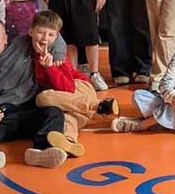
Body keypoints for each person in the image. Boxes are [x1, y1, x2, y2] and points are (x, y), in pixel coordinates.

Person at [0, 18, 67, 175]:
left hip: (29, 110)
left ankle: (43, 151)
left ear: (5, 39)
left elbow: (54, 33)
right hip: (3, 117)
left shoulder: (21, 44)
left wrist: (58, 55)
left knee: (54, 113)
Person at [31, 11, 118, 158]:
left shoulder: (58, 56)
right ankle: (69, 141)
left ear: (56, 37)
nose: (45, 38)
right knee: (67, 115)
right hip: (69, 101)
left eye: (51, 35)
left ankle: (96, 105)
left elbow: (68, 88)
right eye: (40, 33)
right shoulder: (26, 51)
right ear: (31, 31)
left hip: (79, 88)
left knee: (43, 98)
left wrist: (49, 68)